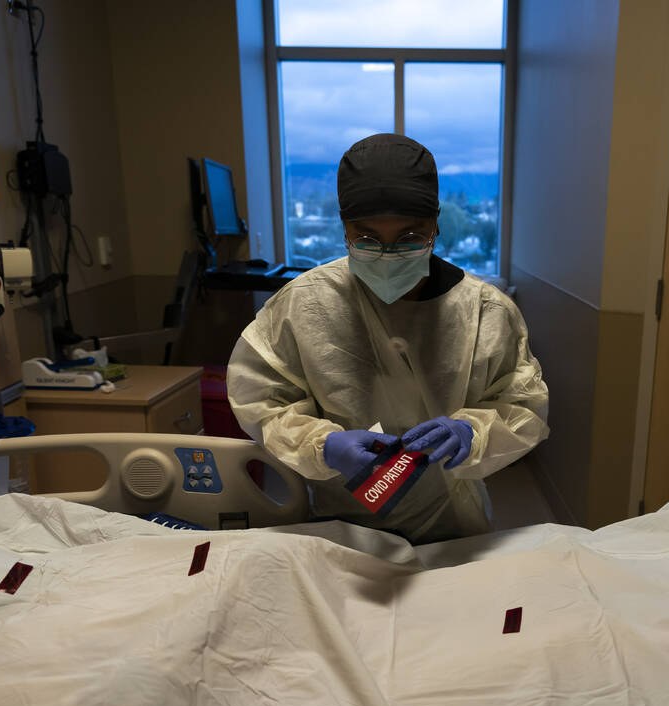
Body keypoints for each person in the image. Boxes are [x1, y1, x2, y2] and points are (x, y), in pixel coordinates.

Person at [227, 133, 548, 543]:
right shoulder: (302, 306)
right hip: (342, 525)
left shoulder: (486, 312)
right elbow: (263, 401)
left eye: (410, 238)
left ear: (436, 224)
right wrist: (323, 445)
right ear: (344, 229)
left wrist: (473, 432)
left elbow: (522, 405)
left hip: (451, 523)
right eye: (367, 239)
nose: (388, 255)